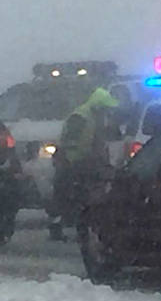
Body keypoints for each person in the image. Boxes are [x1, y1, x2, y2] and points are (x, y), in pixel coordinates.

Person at [48, 87, 120, 241]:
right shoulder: (80, 117)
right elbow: (71, 143)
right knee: (66, 197)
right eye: (106, 109)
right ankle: (59, 229)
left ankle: (80, 229)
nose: (108, 113)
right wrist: (75, 161)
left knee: (80, 198)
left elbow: (97, 142)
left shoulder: (94, 118)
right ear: (98, 107)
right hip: (72, 163)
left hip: (84, 163)